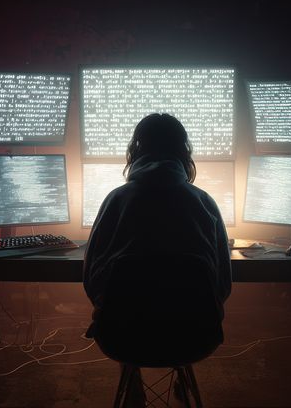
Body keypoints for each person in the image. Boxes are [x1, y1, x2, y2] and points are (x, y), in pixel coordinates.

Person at [83, 113, 232, 405]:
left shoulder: (115, 200)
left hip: (121, 337)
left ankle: (132, 384)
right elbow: (223, 285)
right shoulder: (204, 202)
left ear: (135, 150)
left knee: (125, 308)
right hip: (196, 337)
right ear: (184, 152)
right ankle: (179, 375)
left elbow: (91, 281)